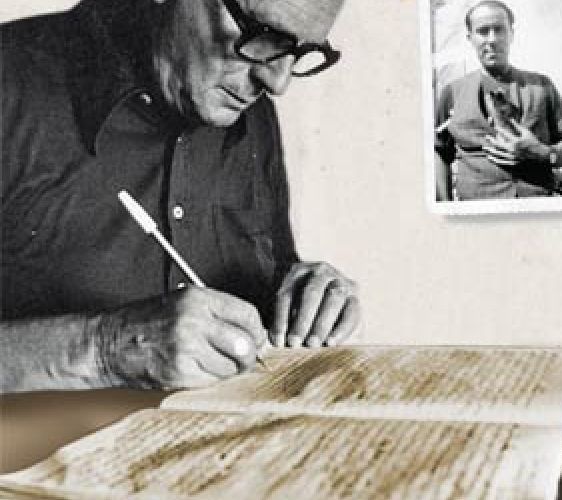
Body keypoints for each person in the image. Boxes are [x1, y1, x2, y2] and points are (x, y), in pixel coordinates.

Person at [0, 0, 361, 392]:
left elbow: (269, 272)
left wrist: (302, 294)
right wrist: (106, 348)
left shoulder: (251, 116)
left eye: (300, 52)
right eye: (263, 35)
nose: (278, 83)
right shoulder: (10, 81)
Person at [434, 0, 562, 201]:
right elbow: (439, 152)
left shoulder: (542, 86)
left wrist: (544, 153)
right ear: (470, 38)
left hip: (536, 206)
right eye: (483, 31)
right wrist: (446, 205)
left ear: (511, 34)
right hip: (477, 209)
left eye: (499, 29)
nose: (492, 39)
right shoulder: (452, 93)